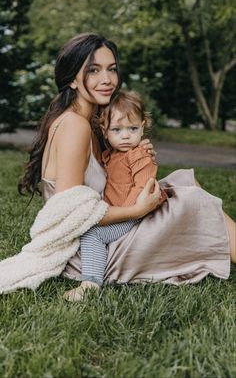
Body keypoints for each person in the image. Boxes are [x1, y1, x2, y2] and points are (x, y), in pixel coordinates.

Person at [17, 32, 234, 302]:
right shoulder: (75, 125)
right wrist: (138, 209)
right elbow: (73, 214)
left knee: (182, 180)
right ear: (73, 78)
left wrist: (136, 152)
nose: (107, 79)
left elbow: (112, 174)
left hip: (106, 222)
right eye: (93, 70)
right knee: (191, 200)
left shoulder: (91, 120)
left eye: (112, 69)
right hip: (89, 249)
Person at [73, 90, 169, 301]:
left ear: (143, 126)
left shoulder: (141, 156)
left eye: (133, 128)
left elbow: (142, 189)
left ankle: (90, 283)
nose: (126, 135)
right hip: (121, 210)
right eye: (117, 129)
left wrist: (122, 212)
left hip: (134, 213)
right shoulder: (111, 155)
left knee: (93, 234)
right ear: (104, 131)